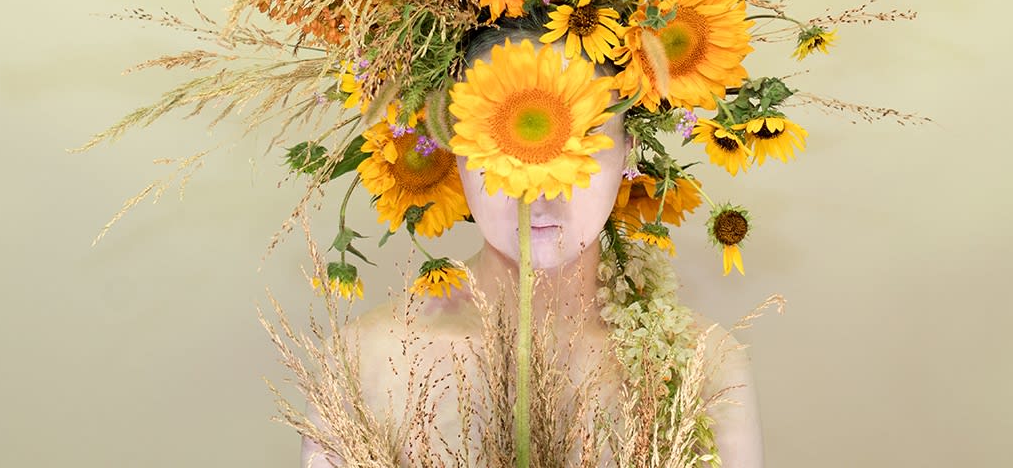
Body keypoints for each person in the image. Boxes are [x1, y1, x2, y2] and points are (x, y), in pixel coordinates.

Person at [300, 26, 763, 467]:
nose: (540, 187)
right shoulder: (363, 360)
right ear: (453, 150)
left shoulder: (708, 367)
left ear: (629, 149)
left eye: (579, 144)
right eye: (501, 143)